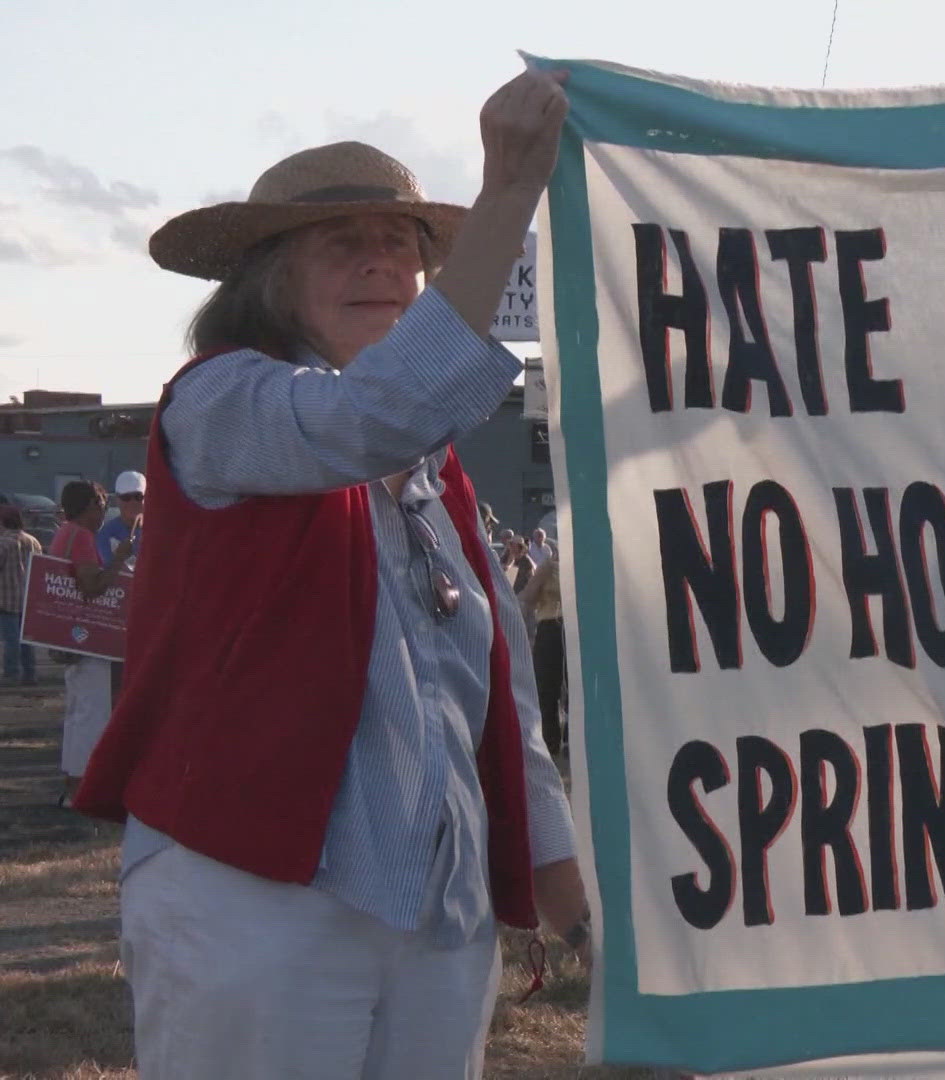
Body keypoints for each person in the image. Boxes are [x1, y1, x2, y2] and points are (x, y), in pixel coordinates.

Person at [73, 68, 591, 1080]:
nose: (381, 265)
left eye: (401, 244)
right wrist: (510, 191)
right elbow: (364, 421)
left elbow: (501, 704)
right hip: (255, 895)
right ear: (271, 279)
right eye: (342, 244)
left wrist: (563, 894)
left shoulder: (433, 472)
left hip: (440, 909)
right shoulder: (224, 404)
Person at [53, 480, 132, 801]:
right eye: (101, 504)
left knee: (78, 712)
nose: (104, 512)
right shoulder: (82, 536)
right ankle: (83, 788)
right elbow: (91, 585)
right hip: (89, 639)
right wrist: (118, 560)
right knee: (92, 713)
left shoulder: (64, 532)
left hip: (73, 637)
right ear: (89, 506)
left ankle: (73, 783)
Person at [518, 551, 566, 760]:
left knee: (569, 688)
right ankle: (551, 741)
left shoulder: (581, 564)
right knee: (548, 687)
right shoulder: (548, 567)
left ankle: (567, 742)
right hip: (551, 626)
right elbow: (528, 597)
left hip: (569, 627)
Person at [0, 505, 42, 686]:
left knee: (12, 639)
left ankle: (11, 673)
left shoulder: (3, 543)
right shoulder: (33, 541)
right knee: (26, 639)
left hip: (6, 598)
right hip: (28, 597)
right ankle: (30, 673)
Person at [96, 471, 145, 572]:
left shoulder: (159, 531)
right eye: (126, 498)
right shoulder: (105, 534)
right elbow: (108, 571)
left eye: (138, 497)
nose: (133, 502)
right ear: (117, 499)